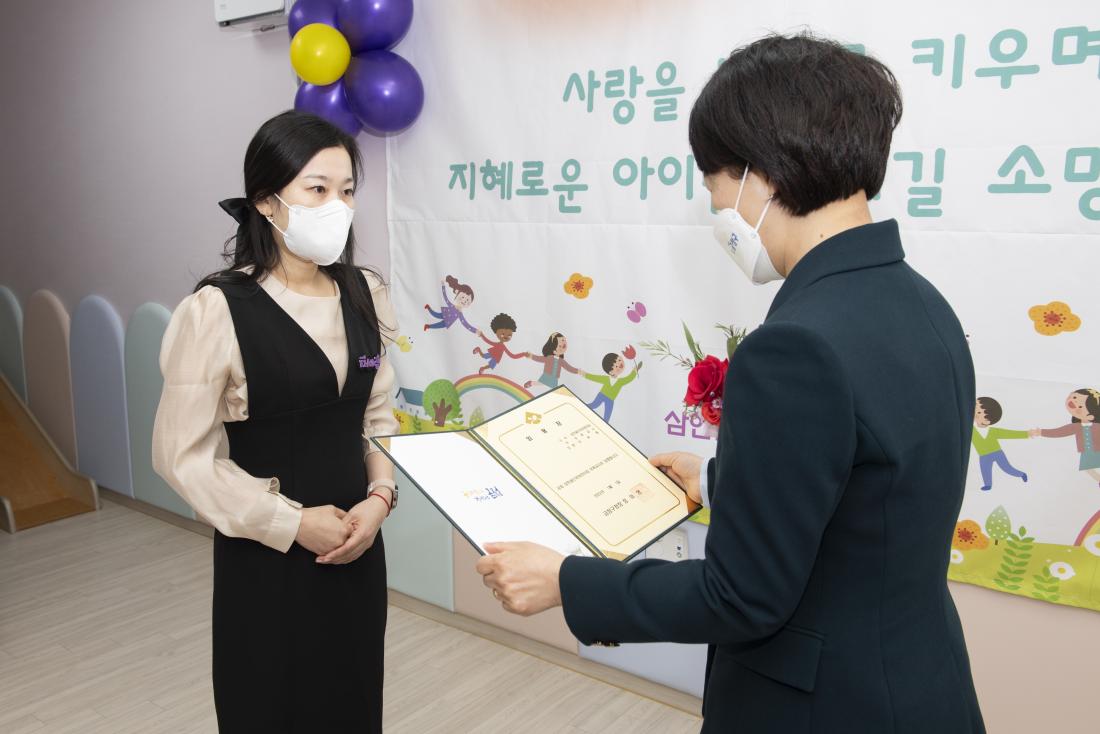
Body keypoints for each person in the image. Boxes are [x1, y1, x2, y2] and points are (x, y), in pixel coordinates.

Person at [476, 33, 985, 733]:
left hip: (823, 705)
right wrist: (723, 481)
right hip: (918, 681)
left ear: (761, 175)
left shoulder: (795, 345)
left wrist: (565, 581)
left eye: (713, 182)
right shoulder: (921, 301)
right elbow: (871, 494)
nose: (716, 205)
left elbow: (742, 597)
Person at [152, 110, 400, 733]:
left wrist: (379, 498)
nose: (337, 207)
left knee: (351, 701)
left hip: (357, 544)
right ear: (266, 201)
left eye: (347, 191)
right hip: (266, 557)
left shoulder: (365, 292)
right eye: (317, 189)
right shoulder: (217, 310)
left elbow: (376, 415)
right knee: (270, 705)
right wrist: (292, 523)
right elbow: (183, 456)